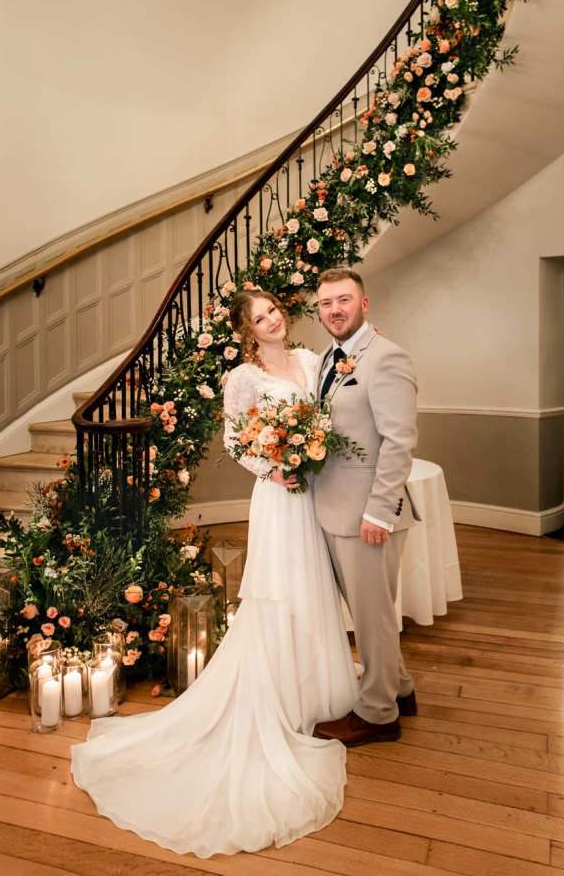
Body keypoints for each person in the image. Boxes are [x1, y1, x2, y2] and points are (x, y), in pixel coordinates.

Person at [70, 288, 358, 857]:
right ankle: (281, 699)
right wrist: (275, 468)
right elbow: (235, 440)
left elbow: (325, 420)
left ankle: (320, 692)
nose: (272, 321)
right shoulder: (241, 379)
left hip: (315, 492)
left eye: (275, 311)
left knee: (316, 583)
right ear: (247, 331)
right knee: (278, 591)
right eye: (260, 318)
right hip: (278, 496)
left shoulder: (309, 360)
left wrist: (311, 452)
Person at [311, 268, 420, 747]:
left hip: (367, 516)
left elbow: (399, 442)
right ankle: (401, 689)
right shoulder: (324, 360)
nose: (334, 310)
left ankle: (378, 712)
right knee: (369, 612)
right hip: (332, 508)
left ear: (363, 304)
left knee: (372, 616)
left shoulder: (387, 357)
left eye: (343, 301)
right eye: (326, 303)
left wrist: (379, 511)